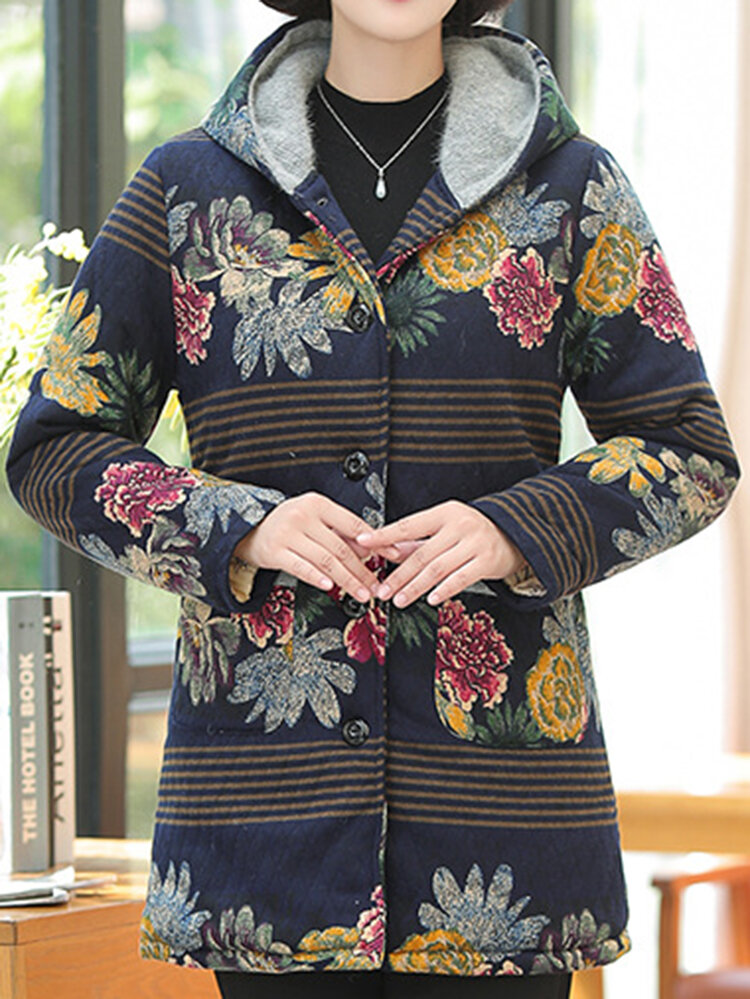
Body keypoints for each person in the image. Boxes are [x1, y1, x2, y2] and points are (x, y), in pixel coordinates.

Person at [5, 0, 740, 996]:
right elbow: (56, 445)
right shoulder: (186, 189)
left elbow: (688, 450)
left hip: (504, 829)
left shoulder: (573, 187)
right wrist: (241, 526)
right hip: (263, 828)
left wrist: (516, 528)